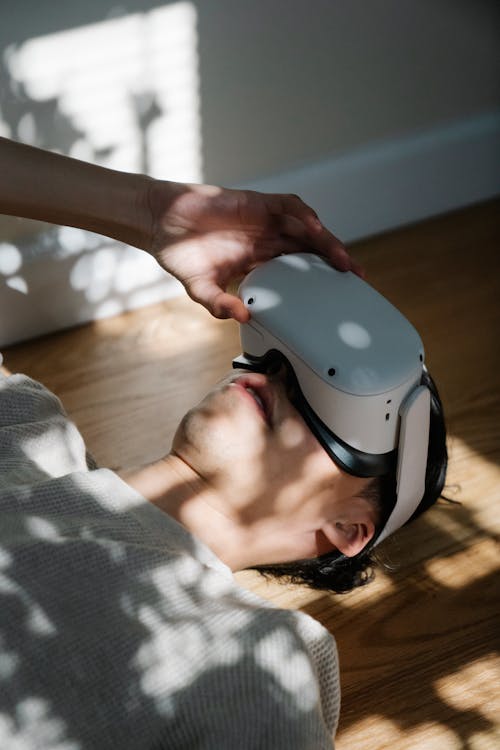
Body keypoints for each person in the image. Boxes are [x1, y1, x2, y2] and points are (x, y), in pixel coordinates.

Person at [0, 138, 447, 749]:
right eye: (277, 359)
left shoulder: (254, 659)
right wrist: (148, 210)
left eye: (329, 403)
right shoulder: (25, 426)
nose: (271, 375)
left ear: (350, 528)